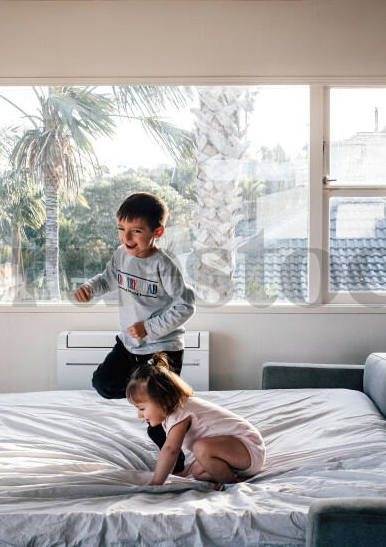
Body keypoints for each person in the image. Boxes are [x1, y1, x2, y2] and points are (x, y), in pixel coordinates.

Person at [73, 192, 195, 473]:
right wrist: (90, 289)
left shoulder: (163, 265)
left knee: (156, 425)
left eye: (136, 231)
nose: (127, 237)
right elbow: (107, 278)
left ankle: (177, 466)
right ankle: (156, 400)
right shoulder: (121, 255)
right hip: (129, 345)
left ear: (157, 232)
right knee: (103, 383)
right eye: (122, 229)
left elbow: (186, 306)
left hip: (162, 349)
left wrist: (149, 328)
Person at [126, 353, 265, 488]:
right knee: (197, 472)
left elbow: (170, 450)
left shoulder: (181, 411)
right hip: (235, 457)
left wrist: (157, 482)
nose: (139, 415)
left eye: (142, 409)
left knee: (201, 448)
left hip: (249, 450)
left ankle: (229, 483)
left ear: (163, 401)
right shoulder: (172, 415)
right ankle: (236, 477)